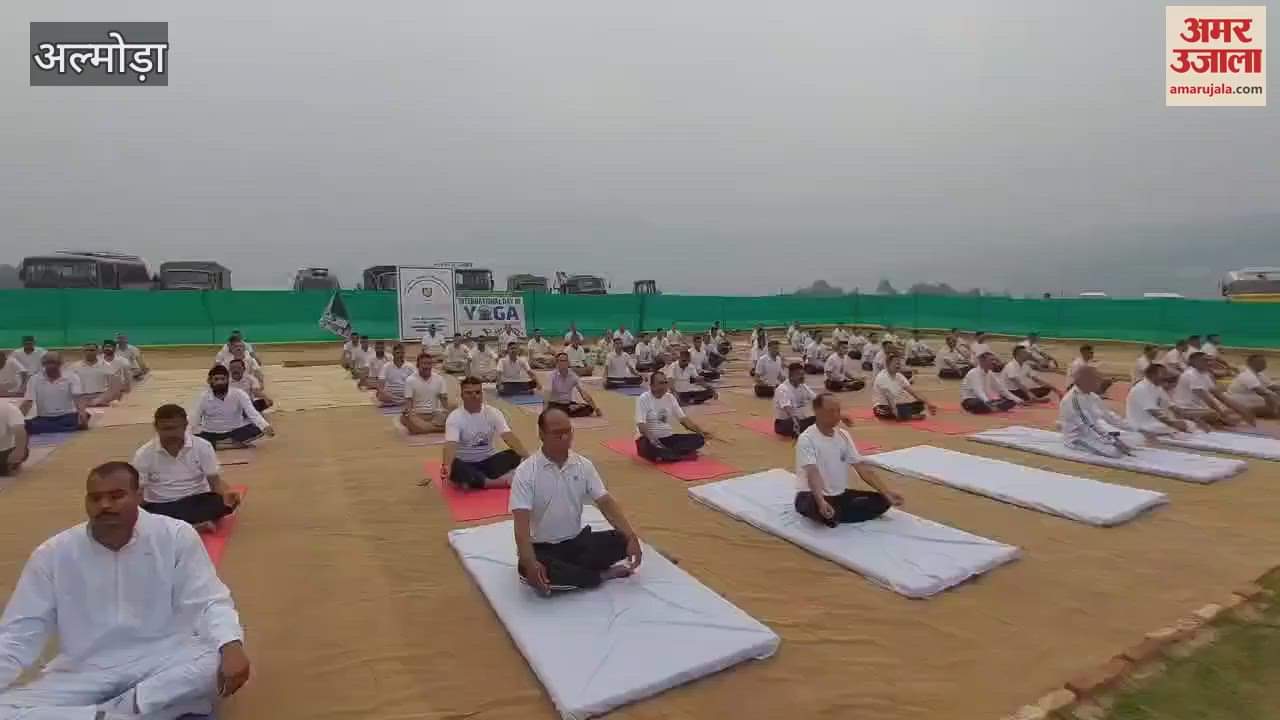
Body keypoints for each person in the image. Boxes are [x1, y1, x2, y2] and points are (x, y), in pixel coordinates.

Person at [0, 461, 249, 718]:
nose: (105, 505)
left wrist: (231, 644)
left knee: (217, 658)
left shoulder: (174, 535)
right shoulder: (53, 554)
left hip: (162, 661)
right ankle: (125, 713)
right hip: (85, 672)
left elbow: (208, 600)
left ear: (139, 496)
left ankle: (113, 712)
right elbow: (19, 634)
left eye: (116, 496)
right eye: (96, 498)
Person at [511, 408, 644, 595]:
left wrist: (630, 536)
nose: (564, 438)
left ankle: (580, 574)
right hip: (543, 550)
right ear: (541, 434)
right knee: (536, 574)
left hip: (576, 543)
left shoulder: (583, 465)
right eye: (557, 433)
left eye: (568, 431)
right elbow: (521, 526)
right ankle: (601, 576)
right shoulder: (526, 472)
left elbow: (605, 502)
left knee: (620, 540)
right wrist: (530, 561)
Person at [794, 393, 901, 527]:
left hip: (838, 495)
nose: (836, 415)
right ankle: (830, 512)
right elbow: (812, 473)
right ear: (817, 412)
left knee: (883, 501)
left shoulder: (843, 435)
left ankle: (835, 514)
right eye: (831, 411)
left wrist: (886, 492)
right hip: (810, 496)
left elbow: (861, 467)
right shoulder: (807, 439)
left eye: (838, 411)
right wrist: (821, 501)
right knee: (819, 508)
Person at [133, 404, 242, 532]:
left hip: (196, 500)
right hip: (161, 505)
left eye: (174, 428)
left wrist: (227, 495)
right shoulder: (144, 454)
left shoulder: (202, 446)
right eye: (165, 429)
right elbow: (138, 491)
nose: (170, 434)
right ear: (156, 428)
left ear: (185, 425)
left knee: (224, 502)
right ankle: (193, 527)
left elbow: (214, 482)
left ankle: (176, 528)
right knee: (145, 516)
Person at [431, 377, 531, 490]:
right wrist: (447, 466)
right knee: (455, 467)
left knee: (516, 454)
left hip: (489, 462)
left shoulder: (493, 413)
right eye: (469, 393)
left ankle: (474, 481)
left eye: (477, 392)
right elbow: (450, 444)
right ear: (462, 395)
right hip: (465, 463)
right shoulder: (455, 417)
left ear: (482, 394)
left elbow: (508, 437)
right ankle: (494, 482)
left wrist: (528, 458)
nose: (474, 396)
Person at [1059, 367, 1141, 457]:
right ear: (1086, 381)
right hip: (1078, 437)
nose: (1099, 383)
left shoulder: (1092, 396)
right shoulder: (1073, 400)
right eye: (1096, 380)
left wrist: (1133, 428)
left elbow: (1109, 416)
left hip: (1095, 433)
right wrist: (1113, 441)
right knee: (1114, 452)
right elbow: (1088, 426)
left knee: (1134, 439)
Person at [634, 371, 714, 462]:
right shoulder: (644, 398)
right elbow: (641, 425)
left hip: (668, 438)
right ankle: (675, 454)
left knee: (699, 439)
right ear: (652, 385)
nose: (664, 386)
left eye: (665, 382)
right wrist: (654, 441)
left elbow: (684, 420)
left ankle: (668, 455)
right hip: (648, 440)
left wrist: (701, 432)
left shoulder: (670, 398)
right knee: (653, 448)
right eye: (661, 383)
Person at [191, 365, 275, 448]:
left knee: (259, 429)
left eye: (222, 379)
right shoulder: (203, 397)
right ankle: (228, 444)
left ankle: (218, 444)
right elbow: (195, 418)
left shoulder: (239, 394)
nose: (220, 382)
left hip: (235, 431)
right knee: (192, 438)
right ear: (210, 381)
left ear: (228, 380)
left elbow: (252, 413)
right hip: (211, 433)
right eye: (216, 379)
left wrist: (265, 426)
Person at [1172, 352, 1254, 426]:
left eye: (1209, 360)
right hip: (1184, 409)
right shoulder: (1191, 374)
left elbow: (1219, 395)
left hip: (1198, 407)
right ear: (1195, 362)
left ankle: (1221, 420)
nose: (1208, 363)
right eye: (1204, 360)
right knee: (1214, 414)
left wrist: (1242, 410)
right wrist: (1223, 415)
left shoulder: (1205, 374)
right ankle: (1220, 420)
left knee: (1232, 410)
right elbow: (1207, 399)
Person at [20, 353, 91, 434]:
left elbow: (78, 398)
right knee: (25, 425)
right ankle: (64, 428)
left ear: (60, 364)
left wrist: (82, 415)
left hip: (67, 416)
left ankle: (52, 428)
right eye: (48, 363)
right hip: (44, 418)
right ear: (43, 364)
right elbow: (28, 402)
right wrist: (17, 419)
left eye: (54, 362)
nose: (51, 365)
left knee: (77, 419)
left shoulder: (72, 377)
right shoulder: (34, 379)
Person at [1126, 364, 1204, 435]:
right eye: (1163, 373)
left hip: (1155, 423)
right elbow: (1155, 413)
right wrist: (1174, 423)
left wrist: (1197, 417)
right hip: (1142, 425)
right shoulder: (1141, 388)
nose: (1166, 376)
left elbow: (1174, 408)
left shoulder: (1158, 388)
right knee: (1179, 428)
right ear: (1152, 375)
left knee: (1190, 425)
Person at [872, 355, 937, 421]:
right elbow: (889, 397)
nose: (898, 366)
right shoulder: (882, 377)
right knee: (889, 412)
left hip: (897, 405)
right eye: (896, 364)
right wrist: (897, 413)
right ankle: (909, 416)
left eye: (899, 364)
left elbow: (913, 392)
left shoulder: (899, 376)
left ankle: (905, 414)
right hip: (883, 406)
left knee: (920, 404)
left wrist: (929, 403)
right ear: (888, 364)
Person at [401, 353, 451, 434]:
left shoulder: (439, 379)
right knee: (404, 418)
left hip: (435, 415)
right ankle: (437, 429)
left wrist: (448, 414)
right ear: (417, 365)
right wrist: (409, 415)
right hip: (417, 415)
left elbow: (444, 400)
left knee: (452, 415)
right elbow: (408, 403)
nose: (427, 366)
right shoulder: (410, 380)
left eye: (429, 364)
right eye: (424, 363)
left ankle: (423, 428)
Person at [545, 353, 602, 417]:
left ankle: (568, 410)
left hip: (568, 404)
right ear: (557, 363)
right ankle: (567, 411)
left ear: (568, 363)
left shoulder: (573, 376)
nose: (563, 363)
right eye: (561, 361)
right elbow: (547, 395)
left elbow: (584, 394)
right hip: (555, 405)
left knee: (589, 408)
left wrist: (596, 409)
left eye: (565, 361)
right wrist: (544, 413)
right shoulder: (551, 376)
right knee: (551, 411)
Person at [70, 343, 125, 407]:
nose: (89, 352)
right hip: (82, 399)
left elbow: (115, 386)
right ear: (83, 351)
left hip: (101, 398)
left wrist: (102, 399)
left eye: (92, 350)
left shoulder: (107, 366)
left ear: (97, 351)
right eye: (86, 350)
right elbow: (71, 386)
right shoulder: (75, 366)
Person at [774, 363, 820, 437]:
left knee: (819, 419)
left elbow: (816, 398)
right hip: (784, 423)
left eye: (803, 374)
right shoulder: (782, 389)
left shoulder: (802, 386)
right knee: (801, 425)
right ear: (791, 376)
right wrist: (795, 421)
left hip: (801, 419)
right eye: (799, 374)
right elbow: (787, 408)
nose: (802, 377)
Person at [0, 402, 29, 477]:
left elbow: (20, 431)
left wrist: (19, 451)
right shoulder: (10, 408)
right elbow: (20, 431)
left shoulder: (9, 408)